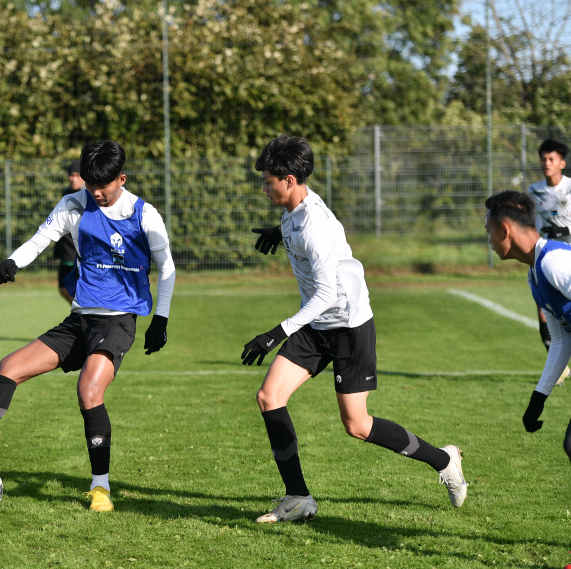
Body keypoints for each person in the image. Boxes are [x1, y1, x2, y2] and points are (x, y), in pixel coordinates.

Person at [0, 140, 175, 512]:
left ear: (121, 179)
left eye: (103, 185)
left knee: (89, 390)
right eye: (90, 184)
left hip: (118, 321)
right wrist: (13, 262)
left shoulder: (144, 214)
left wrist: (161, 319)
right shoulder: (74, 204)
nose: (96, 192)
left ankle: (101, 488)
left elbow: (167, 267)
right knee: (8, 368)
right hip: (80, 319)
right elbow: (40, 240)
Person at [244, 134, 467, 523]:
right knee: (269, 396)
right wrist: (278, 233)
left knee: (357, 425)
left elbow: (327, 293)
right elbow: (305, 234)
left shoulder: (314, 225)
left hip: (347, 324)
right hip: (317, 323)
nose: (264, 188)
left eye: (268, 182)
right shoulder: (295, 209)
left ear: (289, 181)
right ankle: (298, 497)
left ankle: (444, 460)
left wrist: (276, 333)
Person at [484, 189, 571, 463]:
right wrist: (538, 399)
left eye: (488, 231)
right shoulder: (534, 276)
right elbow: (561, 340)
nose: (489, 240)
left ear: (505, 230)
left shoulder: (554, 263)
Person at [528, 139, 571, 386]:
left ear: (562, 163)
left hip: (568, 260)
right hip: (544, 259)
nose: (546, 163)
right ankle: (561, 367)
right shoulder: (534, 191)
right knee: (544, 311)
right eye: (543, 159)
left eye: (551, 159)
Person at [55, 160, 84, 303]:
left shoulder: (90, 194)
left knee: (81, 288)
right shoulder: (66, 193)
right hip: (67, 247)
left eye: (78, 175)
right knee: (63, 288)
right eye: (71, 175)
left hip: (81, 249)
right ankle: (82, 312)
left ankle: (85, 312)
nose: (74, 179)